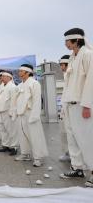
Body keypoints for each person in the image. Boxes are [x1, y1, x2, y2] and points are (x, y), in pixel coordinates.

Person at [59, 28, 93, 188]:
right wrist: (64, 107)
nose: (65, 44)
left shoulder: (87, 54)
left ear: (76, 40)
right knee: (73, 139)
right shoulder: (73, 58)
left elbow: (90, 81)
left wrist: (87, 105)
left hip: (82, 105)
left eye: (67, 41)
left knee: (87, 140)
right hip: (70, 105)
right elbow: (68, 86)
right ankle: (77, 167)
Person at [14, 64, 48, 167]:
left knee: (35, 135)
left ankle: (38, 157)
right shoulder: (19, 85)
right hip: (21, 114)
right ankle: (25, 154)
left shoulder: (34, 83)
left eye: (21, 71)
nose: (19, 72)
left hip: (31, 113)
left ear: (28, 72)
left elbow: (37, 100)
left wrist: (34, 115)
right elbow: (16, 100)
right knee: (22, 134)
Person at [0, 71, 19, 156]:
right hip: (1, 112)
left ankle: (14, 147)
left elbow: (14, 101)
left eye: (4, 76)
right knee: (3, 130)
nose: (2, 78)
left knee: (12, 130)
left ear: (9, 77)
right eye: (2, 76)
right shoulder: (2, 87)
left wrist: (12, 112)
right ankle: (6, 145)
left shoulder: (12, 87)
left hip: (8, 112)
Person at [58, 55, 71, 162]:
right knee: (64, 134)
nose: (61, 67)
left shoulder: (72, 75)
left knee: (72, 134)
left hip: (72, 110)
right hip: (65, 110)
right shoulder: (65, 76)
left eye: (62, 65)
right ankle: (68, 153)